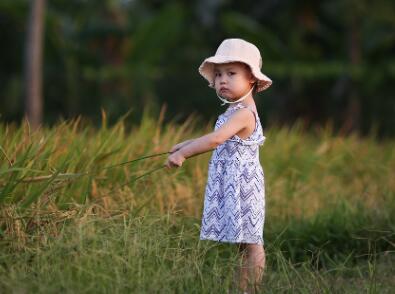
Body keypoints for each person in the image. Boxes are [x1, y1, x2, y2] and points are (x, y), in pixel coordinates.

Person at [165, 38, 272, 293]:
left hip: (244, 186)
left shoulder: (244, 113)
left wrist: (184, 155)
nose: (222, 79)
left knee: (252, 243)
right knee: (242, 244)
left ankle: (251, 289)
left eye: (231, 73)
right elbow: (218, 140)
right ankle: (242, 287)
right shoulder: (233, 111)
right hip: (232, 183)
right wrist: (186, 143)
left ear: (252, 80)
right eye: (219, 74)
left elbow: (215, 140)